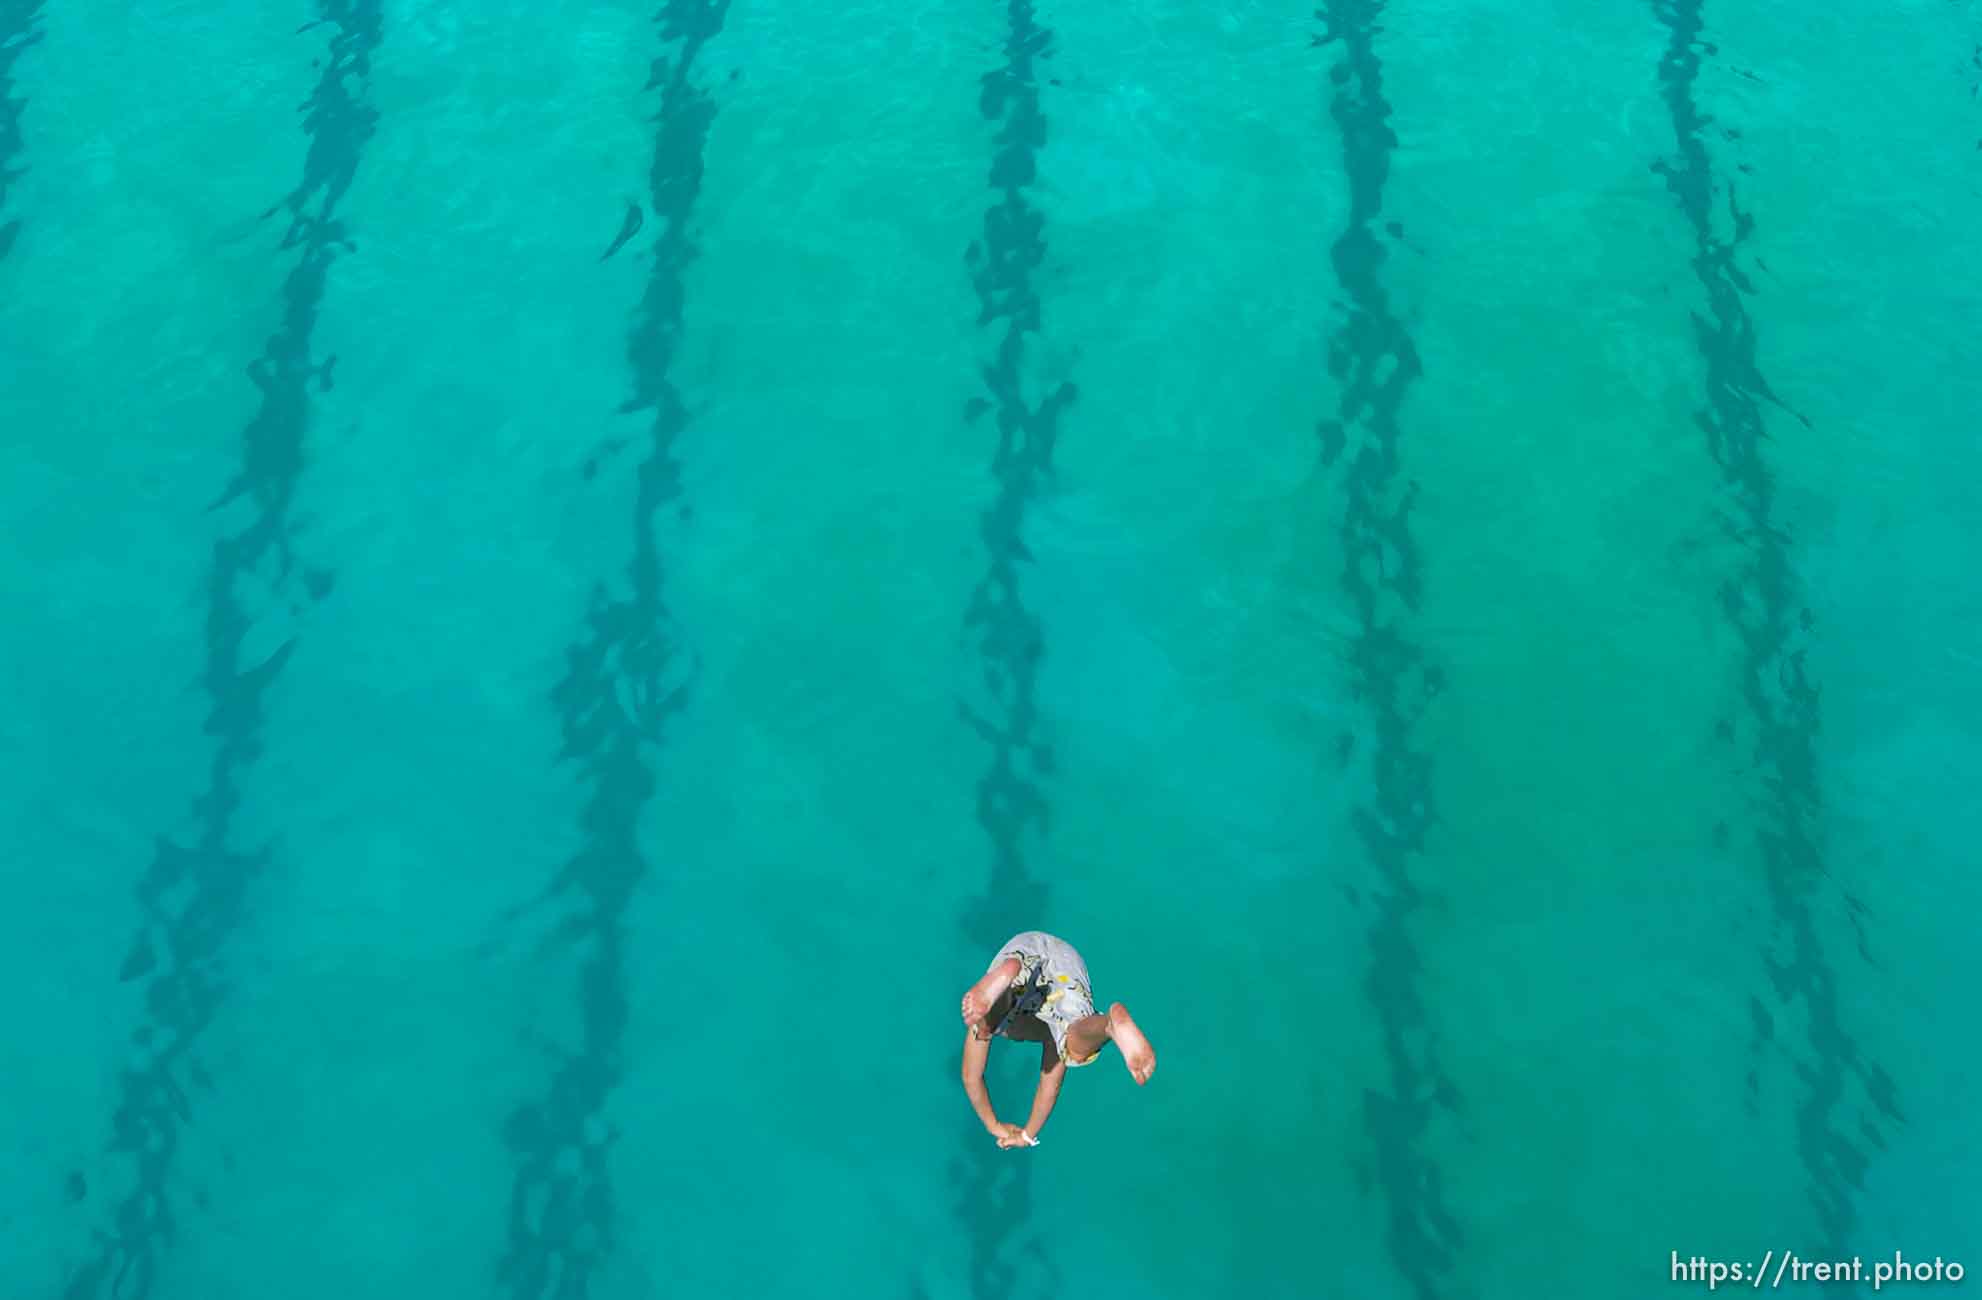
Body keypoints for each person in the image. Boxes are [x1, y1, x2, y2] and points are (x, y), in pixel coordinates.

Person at [959, 930, 1156, 1149]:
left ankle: (1007, 981)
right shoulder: (1054, 1035)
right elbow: (1047, 1089)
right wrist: (1026, 1134)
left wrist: (994, 1125)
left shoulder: (1047, 1036)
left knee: (988, 1026)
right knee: (1074, 1037)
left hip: (1027, 949)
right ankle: (1107, 1024)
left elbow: (971, 1076)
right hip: (1067, 964)